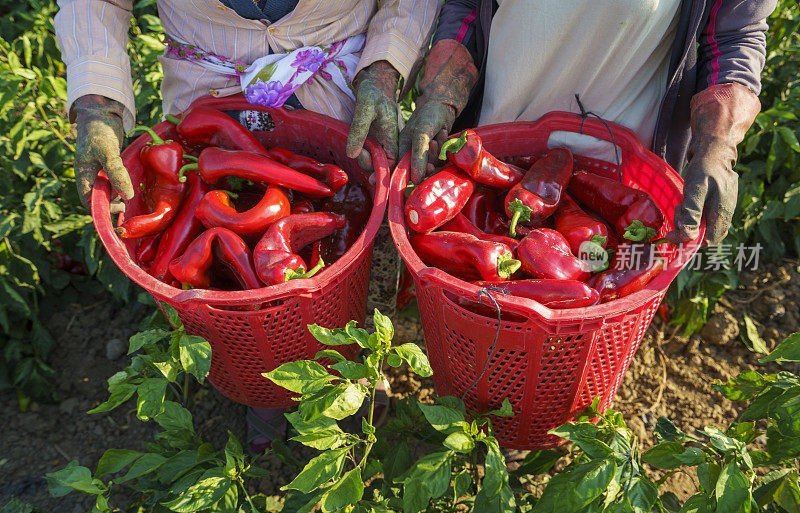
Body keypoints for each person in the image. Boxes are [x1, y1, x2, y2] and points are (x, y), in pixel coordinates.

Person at [54, 0, 440, 452]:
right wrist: (96, 105)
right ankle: (265, 389)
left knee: (356, 257)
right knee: (239, 294)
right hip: (208, 112)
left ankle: (356, 373)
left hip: (343, 100)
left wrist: (385, 65)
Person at [399, 0, 777, 245]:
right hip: (492, 151)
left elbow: (734, 34)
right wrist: (440, 93)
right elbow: (465, 4)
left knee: (590, 328)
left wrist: (717, 143)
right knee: (480, 315)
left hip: (621, 179)